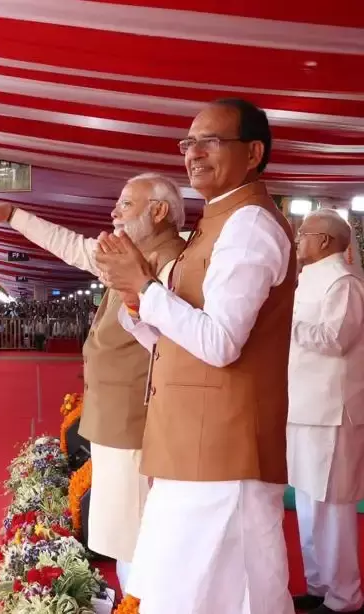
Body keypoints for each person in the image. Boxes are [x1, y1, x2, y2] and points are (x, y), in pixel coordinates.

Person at [94, 98, 296, 614]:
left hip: (224, 451)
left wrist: (146, 286)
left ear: (253, 153)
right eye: (188, 143)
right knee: (185, 595)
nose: (194, 153)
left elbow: (220, 342)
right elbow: (178, 344)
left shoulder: (249, 225)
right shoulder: (217, 224)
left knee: (214, 597)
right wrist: (140, 302)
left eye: (211, 141)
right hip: (195, 445)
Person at [0, 173, 187, 590]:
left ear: (158, 212)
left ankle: (142, 601)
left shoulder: (172, 265)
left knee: (136, 527)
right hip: (114, 414)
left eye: (125, 205)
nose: (113, 213)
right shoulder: (132, 256)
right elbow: (72, 246)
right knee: (122, 527)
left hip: (137, 417)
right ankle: (133, 597)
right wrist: (13, 214)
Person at [287, 208, 364, 614]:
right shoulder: (307, 280)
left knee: (333, 508)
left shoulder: (345, 282)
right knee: (307, 504)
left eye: (305, 233)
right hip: (302, 406)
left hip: (333, 412)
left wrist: (286, 324)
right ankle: (318, 585)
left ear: (326, 241)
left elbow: (336, 339)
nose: (299, 239)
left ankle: (346, 597)